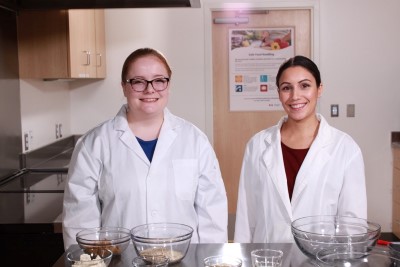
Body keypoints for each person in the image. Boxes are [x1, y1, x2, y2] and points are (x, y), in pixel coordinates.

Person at [62, 48, 228, 249]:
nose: (150, 90)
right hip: (120, 261)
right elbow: (79, 221)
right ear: (124, 87)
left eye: (159, 80)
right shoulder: (94, 144)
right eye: (138, 81)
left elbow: (212, 215)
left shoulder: (195, 140)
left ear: (168, 85)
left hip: (184, 260)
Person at [234, 55, 367, 243]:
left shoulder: (345, 149)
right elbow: (246, 216)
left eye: (305, 85)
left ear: (319, 89)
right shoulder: (257, 145)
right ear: (279, 93)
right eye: (286, 88)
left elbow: (353, 226)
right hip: (267, 257)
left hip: (321, 260)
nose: (295, 96)